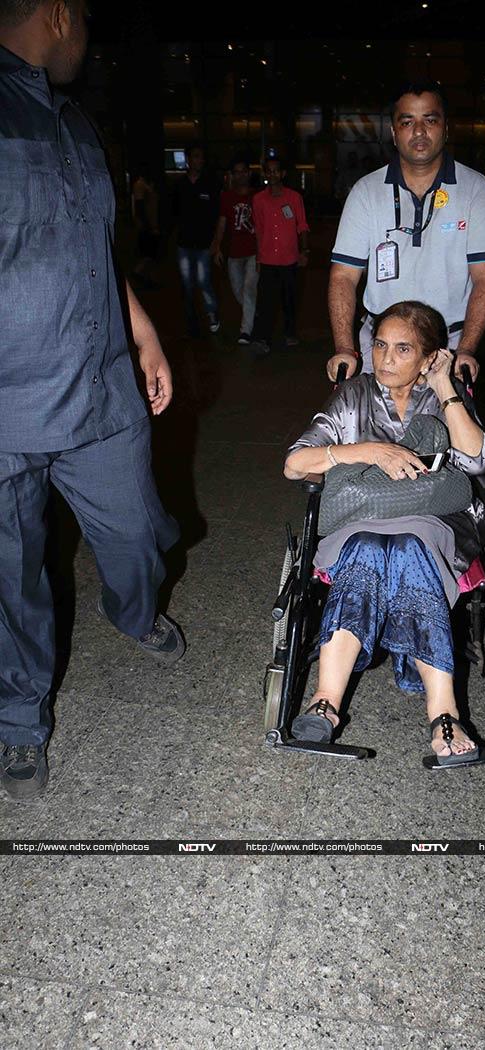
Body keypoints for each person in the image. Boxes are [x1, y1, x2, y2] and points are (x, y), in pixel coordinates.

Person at [0, 0, 184, 801]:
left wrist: (141, 328)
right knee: (11, 576)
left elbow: (93, 245)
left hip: (99, 384)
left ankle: (133, 609)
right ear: (57, 15)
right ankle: (17, 719)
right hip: (6, 401)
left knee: (139, 531)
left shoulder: (75, 122)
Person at [285, 301, 485, 766]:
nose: (385, 359)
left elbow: (479, 462)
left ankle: (444, 712)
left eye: (403, 350)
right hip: (361, 518)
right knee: (366, 546)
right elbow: (295, 463)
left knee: (407, 547)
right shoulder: (354, 396)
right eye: (380, 345)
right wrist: (368, 451)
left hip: (432, 524)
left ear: (428, 358)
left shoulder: (443, 397)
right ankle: (327, 701)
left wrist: (445, 387)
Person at [326, 81, 485, 384]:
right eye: (407, 121)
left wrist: (468, 349)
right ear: (394, 133)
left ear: (445, 128)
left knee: (446, 431)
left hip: (446, 349)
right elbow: (343, 276)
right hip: (381, 350)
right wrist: (344, 348)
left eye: (430, 120)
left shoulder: (476, 190)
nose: (419, 131)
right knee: (374, 431)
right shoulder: (366, 192)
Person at [251, 156, 310, 355]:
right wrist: (258, 258)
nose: (273, 174)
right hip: (268, 259)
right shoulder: (258, 200)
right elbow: (258, 230)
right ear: (265, 174)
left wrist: (304, 251)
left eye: (277, 170)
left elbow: (302, 226)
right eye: (269, 171)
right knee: (266, 301)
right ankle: (262, 339)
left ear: (283, 174)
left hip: (289, 258)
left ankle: (290, 332)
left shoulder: (294, 198)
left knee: (289, 299)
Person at [172, 142, 221, 336]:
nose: (199, 160)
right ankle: (191, 322)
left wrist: (215, 242)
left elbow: (217, 214)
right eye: (195, 156)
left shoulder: (210, 184)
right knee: (186, 283)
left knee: (203, 280)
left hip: (203, 244)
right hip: (184, 243)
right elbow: (173, 213)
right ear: (188, 160)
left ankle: (211, 313)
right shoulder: (180, 185)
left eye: (201, 157)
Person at [213, 155, 258, 345]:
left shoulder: (258, 196)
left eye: (243, 171)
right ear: (232, 175)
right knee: (238, 290)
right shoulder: (227, 197)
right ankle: (256, 313)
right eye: (236, 172)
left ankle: (245, 331)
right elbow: (222, 223)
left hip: (254, 252)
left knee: (248, 289)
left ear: (248, 173)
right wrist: (216, 245)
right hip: (234, 252)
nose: (240, 176)